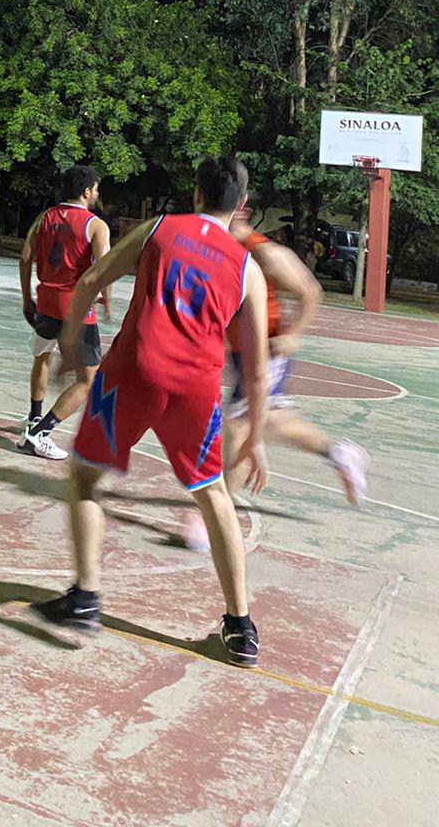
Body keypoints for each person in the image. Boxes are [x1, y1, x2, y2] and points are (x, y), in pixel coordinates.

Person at [35, 155, 270, 667]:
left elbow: (91, 279)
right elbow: (255, 366)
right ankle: (240, 626)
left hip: (133, 373)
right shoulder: (247, 269)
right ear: (241, 205)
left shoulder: (159, 229)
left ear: (196, 193)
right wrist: (256, 435)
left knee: (85, 478)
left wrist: (72, 343)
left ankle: (85, 596)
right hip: (196, 387)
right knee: (214, 495)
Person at [182, 208, 368, 550]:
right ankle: (339, 453)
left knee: (240, 428)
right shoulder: (217, 249)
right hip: (244, 353)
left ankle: (213, 518)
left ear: (242, 212)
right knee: (271, 423)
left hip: (267, 350)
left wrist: (293, 334)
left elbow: (311, 292)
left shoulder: (265, 253)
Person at [17, 165, 111, 460]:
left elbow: (25, 258)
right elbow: (104, 268)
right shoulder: (96, 225)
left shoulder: (43, 218)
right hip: (75, 311)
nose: (96, 194)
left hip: (45, 303)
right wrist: (104, 298)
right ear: (86, 192)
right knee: (87, 381)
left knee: (42, 358)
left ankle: (34, 416)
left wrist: (26, 299)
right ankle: (39, 433)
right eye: (95, 189)